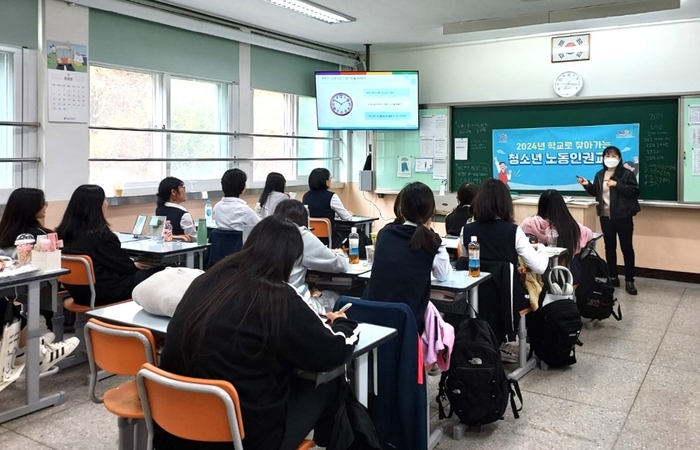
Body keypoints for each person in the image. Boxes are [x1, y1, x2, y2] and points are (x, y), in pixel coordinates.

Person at [157, 216, 359, 450]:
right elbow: (330, 353)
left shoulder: (208, 279)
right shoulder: (278, 297)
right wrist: (344, 325)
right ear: (293, 259)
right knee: (331, 382)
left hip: (175, 424)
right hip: (242, 435)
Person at [462, 179, 549, 360]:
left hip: (475, 297)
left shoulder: (467, 230)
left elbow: (465, 261)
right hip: (508, 298)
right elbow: (539, 267)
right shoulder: (513, 231)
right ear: (505, 204)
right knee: (540, 288)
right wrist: (541, 249)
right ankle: (534, 341)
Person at [0, 188, 79, 373]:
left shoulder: (4, 231)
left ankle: (30, 347)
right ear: (32, 208)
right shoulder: (40, 235)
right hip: (34, 286)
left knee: (7, 307)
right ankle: (37, 349)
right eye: (43, 202)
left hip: (12, 289)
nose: (46, 206)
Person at [362, 182, 451, 333]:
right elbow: (443, 276)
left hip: (372, 317)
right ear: (432, 212)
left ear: (401, 210)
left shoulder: (384, 233)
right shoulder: (432, 242)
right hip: (407, 322)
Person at [57, 185, 164, 307]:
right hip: (105, 292)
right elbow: (126, 268)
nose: (106, 203)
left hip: (78, 293)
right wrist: (133, 264)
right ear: (97, 205)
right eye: (104, 199)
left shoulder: (63, 234)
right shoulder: (101, 237)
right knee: (161, 272)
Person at [578, 145, 641, 295]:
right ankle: (612, 277)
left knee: (627, 248)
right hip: (605, 217)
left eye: (613, 155)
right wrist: (588, 185)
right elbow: (597, 192)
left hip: (623, 216)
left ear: (619, 158)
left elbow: (635, 191)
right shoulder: (600, 175)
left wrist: (617, 184)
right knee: (609, 247)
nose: (610, 158)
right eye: (607, 155)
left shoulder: (626, 174)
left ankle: (629, 280)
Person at [273, 199, 348, 314]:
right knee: (336, 297)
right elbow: (339, 265)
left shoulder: (265, 233)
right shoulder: (300, 235)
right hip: (293, 304)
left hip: (265, 300)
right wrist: (340, 253)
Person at [520, 189, 593, 283]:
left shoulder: (528, 223)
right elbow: (589, 234)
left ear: (541, 205)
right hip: (568, 275)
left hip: (537, 275)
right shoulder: (570, 226)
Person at [302, 168, 352, 247]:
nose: (330, 180)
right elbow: (346, 218)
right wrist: (349, 213)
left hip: (310, 237)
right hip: (328, 239)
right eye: (330, 177)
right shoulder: (331, 196)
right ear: (326, 181)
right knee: (354, 232)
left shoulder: (306, 196)